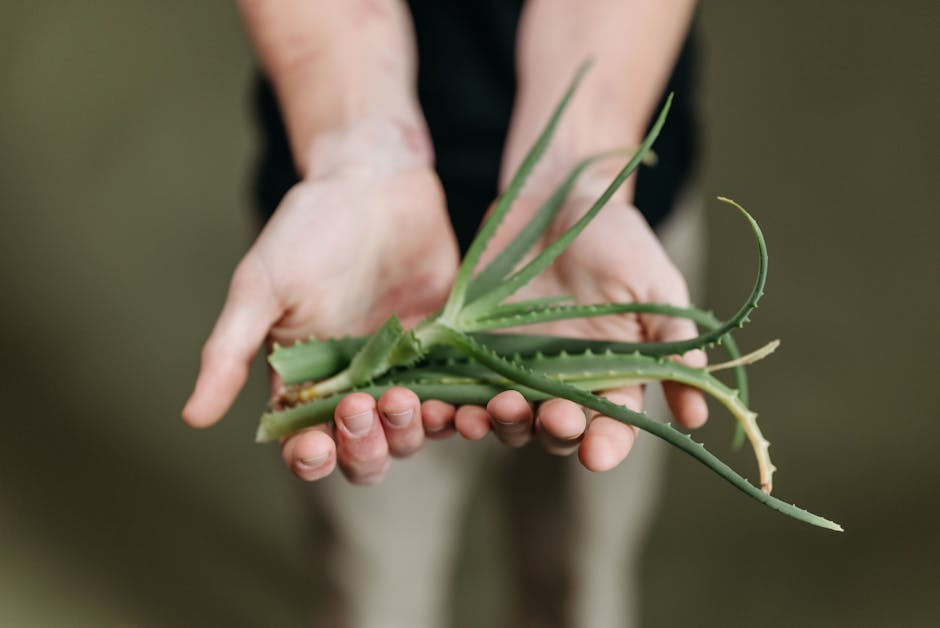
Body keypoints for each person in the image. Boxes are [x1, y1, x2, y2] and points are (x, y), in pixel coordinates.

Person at [183, 1, 704, 626]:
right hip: (349, 255)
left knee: (578, 578)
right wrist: (356, 147)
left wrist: (582, 166)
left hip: (596, 252)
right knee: (369, 584)